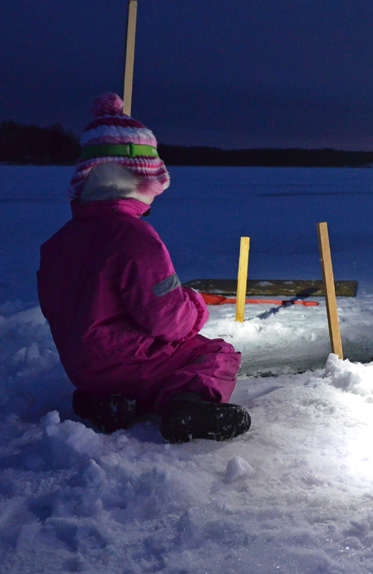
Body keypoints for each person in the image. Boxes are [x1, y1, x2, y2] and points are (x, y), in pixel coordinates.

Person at [38, 93, 251, 444]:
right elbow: (167, 319)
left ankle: (106, 403)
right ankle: (187, 406)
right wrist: (194, 307)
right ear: (139, 179)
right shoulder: (135, 239)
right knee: (213, 353)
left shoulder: (58, 242)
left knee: (133, 369)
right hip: (128, 365)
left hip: (83, 369)